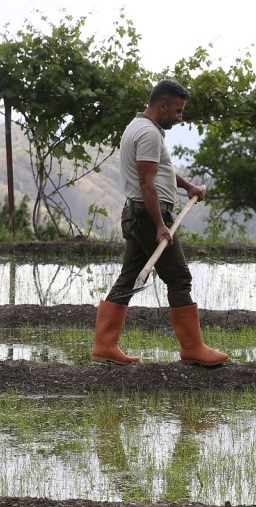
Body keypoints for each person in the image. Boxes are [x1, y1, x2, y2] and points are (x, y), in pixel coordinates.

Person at [91, 79, 228, 367]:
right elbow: (147, 184)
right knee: (179, 278)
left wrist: (187, 186)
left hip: (139, 214)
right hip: (148, 216)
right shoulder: (149, 133)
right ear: (162, 105)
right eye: (178, 111)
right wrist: (159, 225)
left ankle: (105, 345)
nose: (180, 117)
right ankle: (193, 348)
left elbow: (161, 170)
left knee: (128, 277)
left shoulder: (139, 127)